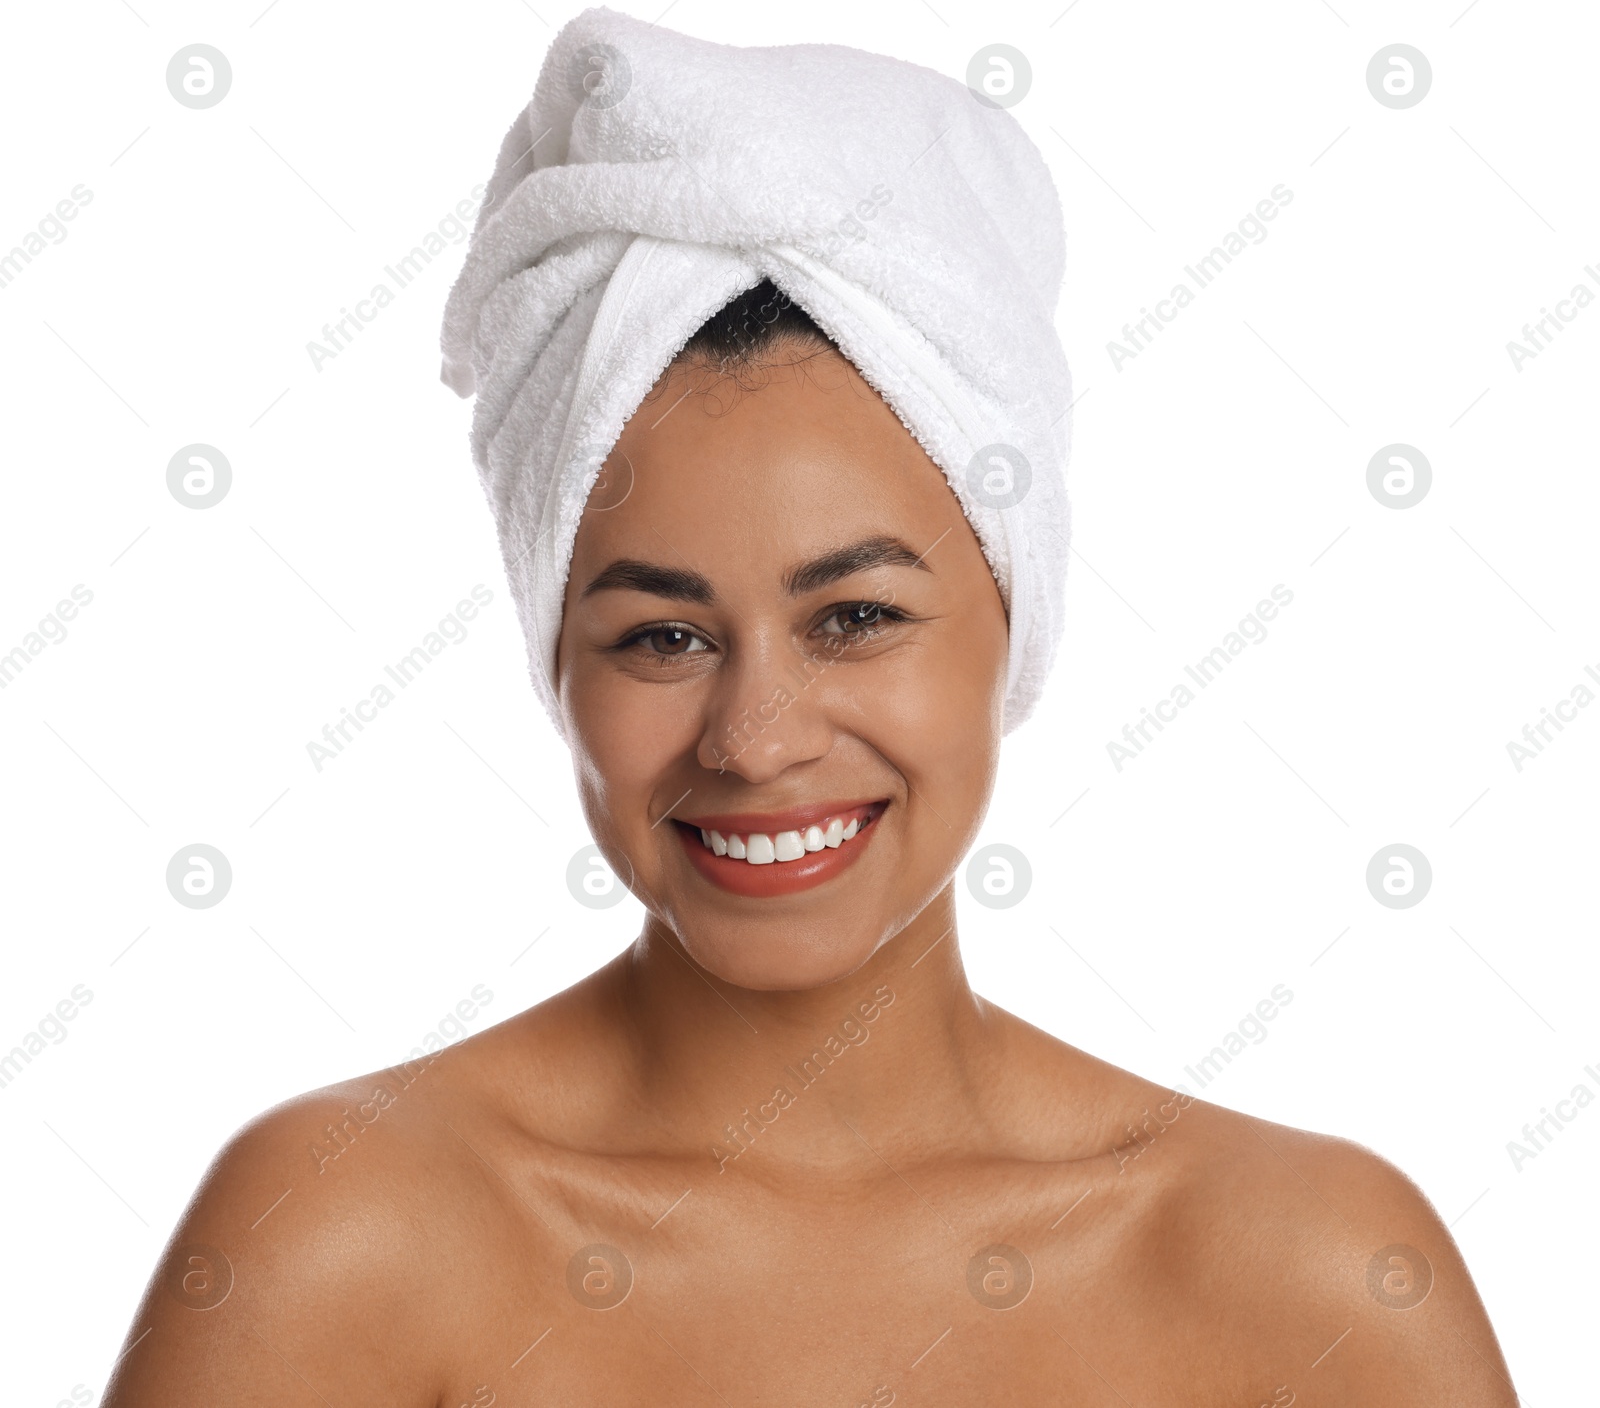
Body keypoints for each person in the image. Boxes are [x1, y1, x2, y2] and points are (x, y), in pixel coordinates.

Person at [104, 279, 1516, 1405]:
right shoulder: (342, 1239)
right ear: (558, 668)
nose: (756, 738)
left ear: (1015, 626)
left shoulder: (1311, 1273)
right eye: (662, 635)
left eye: (855, 617)